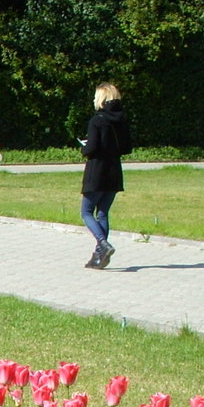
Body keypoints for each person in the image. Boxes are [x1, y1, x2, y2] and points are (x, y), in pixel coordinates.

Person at [80, 82, 131, 270]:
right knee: (102, 213)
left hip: (97, 171)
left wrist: (83, 148)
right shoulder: (121, 120)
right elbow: (127, 147)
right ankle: (99, 257)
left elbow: (92, 147)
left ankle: (102, 243)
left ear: (101, 98)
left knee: (86, 211)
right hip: (114, 171)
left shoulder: (97, 120)